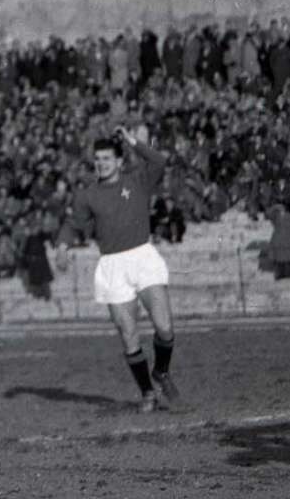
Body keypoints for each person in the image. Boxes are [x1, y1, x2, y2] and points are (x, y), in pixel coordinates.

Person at [70, 126, 178, 412]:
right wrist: (61, 245)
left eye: (107, 158)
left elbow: (159, 161)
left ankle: (161, 371)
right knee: (128, 333)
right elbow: (75, 224)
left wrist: (133, 141)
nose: (101, 163)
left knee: (164, 327)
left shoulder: (138, 180)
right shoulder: (87, 195)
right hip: (112, 265)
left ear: (119, 161)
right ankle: (147, 393)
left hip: (143, 257)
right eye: (98, 159)